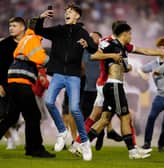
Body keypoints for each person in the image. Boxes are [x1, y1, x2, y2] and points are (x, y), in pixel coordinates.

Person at [34, 3, 99, 161]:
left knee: (75, 109)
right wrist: (40, 19)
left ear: (77, 16)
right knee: (49, 102)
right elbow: (38, 31)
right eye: (66, 12)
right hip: (57, 74)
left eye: (71, 11)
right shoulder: (58, 30)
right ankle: (62, 132)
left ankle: (84, 142)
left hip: (73, 75)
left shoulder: (82, 32)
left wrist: (87, 44)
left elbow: (93, 49)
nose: (67, 13)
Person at [86, 22, 153, 159]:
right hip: (113, 85)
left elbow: (139, 55)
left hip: (114, 86)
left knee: (105, 119)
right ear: (125, 34)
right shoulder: (110, 44)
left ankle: (82, 143)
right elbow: (93, 56)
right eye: (130, 34)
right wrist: (112, 56)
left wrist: (127, 67)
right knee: (125, 117)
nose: (131, 36)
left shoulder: (122, 47)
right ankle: (132, 151)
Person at [0, 20, 55, 158]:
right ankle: (35, 149)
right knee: (34, 116)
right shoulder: (32, 39)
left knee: (11, 117)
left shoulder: (25, 40)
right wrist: (57, 63)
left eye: (14, 25)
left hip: (13, 82)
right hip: (21, 83)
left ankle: (32, 148)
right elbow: (40, 58)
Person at [0, 17, 25, 150]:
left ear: (22, 28)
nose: (11, 28)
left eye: (14, 26)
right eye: (10, 26)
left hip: (21, 85)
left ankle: (14, 132)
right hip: (5, 85)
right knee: (2, 115)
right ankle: (10, 137)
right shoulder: (4, 44)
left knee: (13, 116)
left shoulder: (28, 43)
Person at [139, 37, 164, 152]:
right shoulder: (154, 62)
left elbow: (159, 70)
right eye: (160, 48)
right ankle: (147, 143)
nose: (162, 50)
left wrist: (155, 71)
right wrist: (143, 75)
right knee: (151, 118)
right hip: (160, 96)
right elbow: (140, 69)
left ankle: (161, 144)